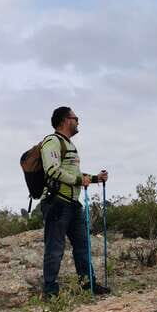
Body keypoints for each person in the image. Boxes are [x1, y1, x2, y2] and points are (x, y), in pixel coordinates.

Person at [40, 106, 109, 298]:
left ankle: (88, 285)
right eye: (75, 118)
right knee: (55, 247)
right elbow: (52, 171)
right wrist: (79, 180)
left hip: (72, 203)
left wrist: (95, 178)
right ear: (64, 120)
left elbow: (75, 174)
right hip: (57, 203)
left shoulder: (69, 145)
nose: (78, 121)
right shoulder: (52, 142)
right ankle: (50, 291)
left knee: (82, 245)